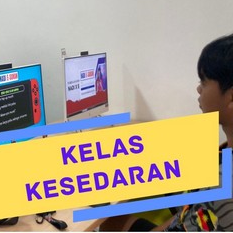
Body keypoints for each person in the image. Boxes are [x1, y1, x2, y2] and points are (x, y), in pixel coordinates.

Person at [100, 33, 233, 231]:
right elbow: (190, 213)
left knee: (108, 218)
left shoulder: (223, 187)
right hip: (186, 219)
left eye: (204, 82)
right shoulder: (225, 152)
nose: (198, 89)